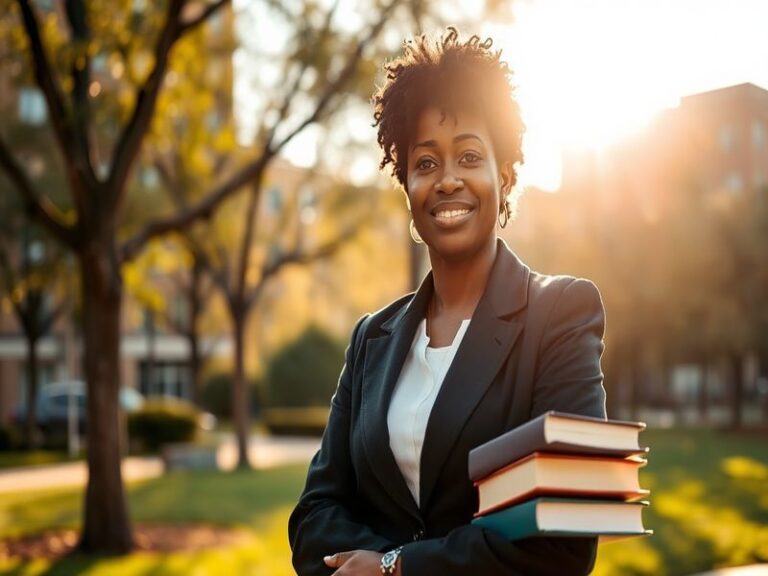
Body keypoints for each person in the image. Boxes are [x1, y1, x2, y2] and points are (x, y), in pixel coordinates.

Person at [288, 27, 607, 576]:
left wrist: (395, 567)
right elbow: (314, 514)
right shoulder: (373, 339)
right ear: (407, 184)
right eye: (427, 163)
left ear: (504, 176)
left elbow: (564, 540)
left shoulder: (560, 315)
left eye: (469, 156)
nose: (448, 180)